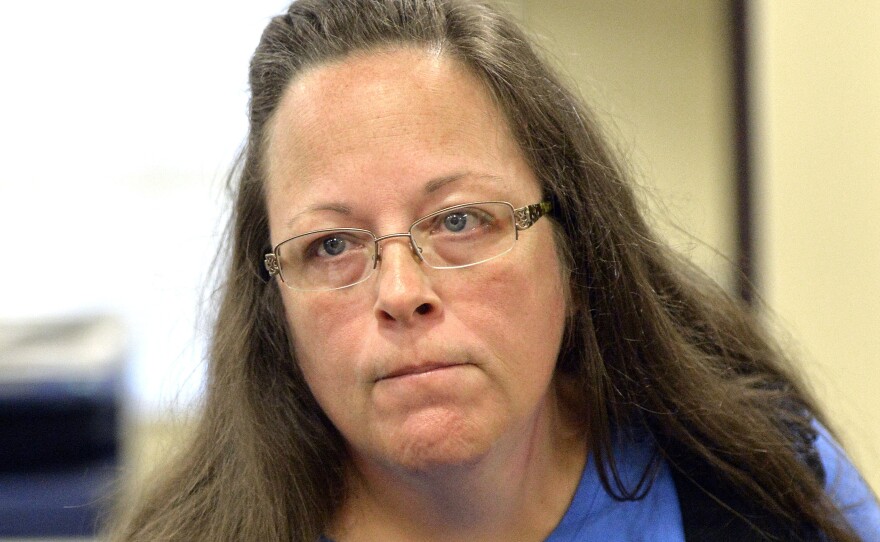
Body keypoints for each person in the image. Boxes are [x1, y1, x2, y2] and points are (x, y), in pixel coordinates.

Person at [110, 1, 880, 540]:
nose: (402, 294)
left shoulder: (763, 478)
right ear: (276, 310)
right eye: (332, 246)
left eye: (458, 221)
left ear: (575, 255)